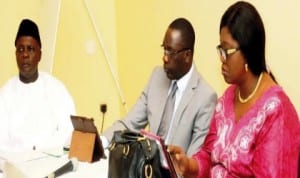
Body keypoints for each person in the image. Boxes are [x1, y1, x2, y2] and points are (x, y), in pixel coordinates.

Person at [168, 1, 300, 177]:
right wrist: (188, 165)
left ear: (248, 51)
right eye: (220, 50)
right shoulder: (228, 98)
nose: (222, 59)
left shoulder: (276, 112)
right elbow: (209, 154)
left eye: (227, 51)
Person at [102, 18, 217, 156]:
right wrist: (102, 141)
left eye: (170, 52)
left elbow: (195, 162)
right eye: (164, 49)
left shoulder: (205, 98)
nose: (165, 58)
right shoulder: (157, 76)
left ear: (187, 56)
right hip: (145, 168)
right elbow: (129, 124)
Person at [0, 19, 76, 169]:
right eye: (20, 49)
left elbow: (69, 132)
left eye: (30, 49)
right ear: (15, 54)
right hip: (16, 168)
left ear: (40, 54)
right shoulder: (5, 94)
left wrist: (43, 154)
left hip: (51, 165)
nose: (25, 55)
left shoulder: (57, 89)